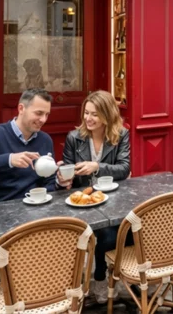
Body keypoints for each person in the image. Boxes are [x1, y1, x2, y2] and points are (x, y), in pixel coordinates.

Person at [0, 89, 72, 287]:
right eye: (38, 113)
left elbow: (46, 183)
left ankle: (34, 297)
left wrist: (58, 183)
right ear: (21, 108)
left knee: (60, 260)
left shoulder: (44, 140)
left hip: (28, 216)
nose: (43, 119)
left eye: (46, 114)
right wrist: (9, 159)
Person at [61, 90, 131, 303]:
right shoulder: (74, 138)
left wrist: (97, 167)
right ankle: (74, 280)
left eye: (95, 114)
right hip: (82, 199)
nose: (88, 119)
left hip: (112, 198)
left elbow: (125, 168)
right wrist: (64, 176)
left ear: (107, 115)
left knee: (111, 234)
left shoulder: (121, 134)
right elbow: (67, 169)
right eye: (86, 113)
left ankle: (100, 276)